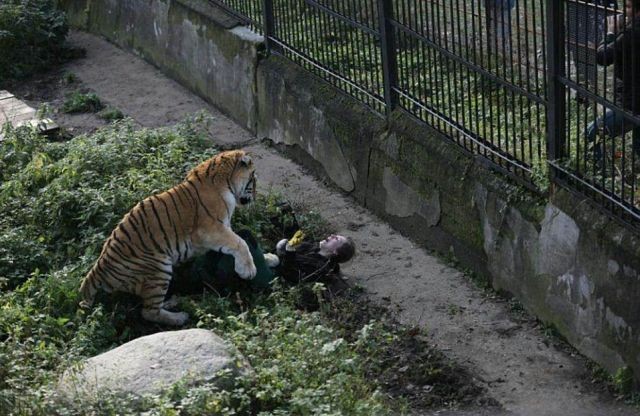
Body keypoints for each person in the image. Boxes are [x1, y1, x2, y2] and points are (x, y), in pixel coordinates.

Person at [169, 229, 356, 296]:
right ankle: (202, 274)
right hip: (270, 264)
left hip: (273, 281)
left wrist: (288, 253)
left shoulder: (322, 267)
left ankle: (207, 277)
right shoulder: (312, 246)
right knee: (235, 249)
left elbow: (294, 276)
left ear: (335, 251)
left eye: (335, 239)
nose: (330, 236)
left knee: (244, 238)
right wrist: (283, 246)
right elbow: (282, 252)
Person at [585, 0, 640, 161]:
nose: (624, 11)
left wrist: (610, 33)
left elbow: (603, 57)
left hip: (631, 105)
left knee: (591, 133)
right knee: (638, 145)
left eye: (629, 7)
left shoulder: (631, 34)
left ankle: (598, 177)